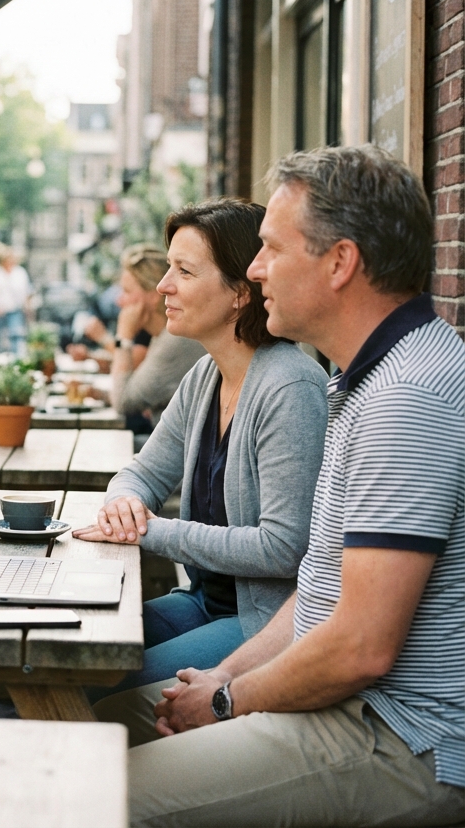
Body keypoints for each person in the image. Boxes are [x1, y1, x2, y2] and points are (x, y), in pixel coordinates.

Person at [104, 146, 465, 826]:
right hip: (355, 703)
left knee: (86, 789)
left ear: (340, 263)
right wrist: (224, 676)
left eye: (271, 248)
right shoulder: (364, 380)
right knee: (88, 728)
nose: (257, 267)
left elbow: (360, 646)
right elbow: (320, 590)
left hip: (401, 734)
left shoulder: (406, 399)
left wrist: (224, 701)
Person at [73, 200, 328, 701]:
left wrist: (147, 531)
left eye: (184, 271)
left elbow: (283, 547)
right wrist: (124, 502)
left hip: (260, 623)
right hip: (202, 601)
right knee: (66, 649)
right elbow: (140, 474)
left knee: (98, 685)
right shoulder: (207, 374)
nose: (163, 286)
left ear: (239, 292)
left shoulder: (289, 389)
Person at [97, 244, 205, 435]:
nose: (119, 300)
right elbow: (135, 392)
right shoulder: (163, 337)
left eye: (127, 291)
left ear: (154, 294)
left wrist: (123, 336)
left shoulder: (175, 341)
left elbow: (123, 402)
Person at [0, 248, 31, 354]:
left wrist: (27, 308)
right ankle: (1, 360)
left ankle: (15, 360)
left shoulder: (20, 272)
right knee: (0, 338)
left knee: (15, 335)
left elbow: (27, 291)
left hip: (15, 310)